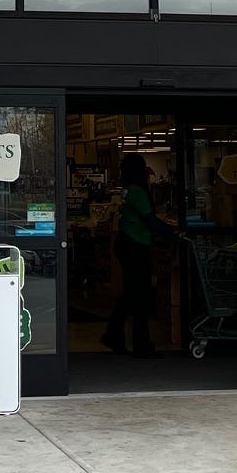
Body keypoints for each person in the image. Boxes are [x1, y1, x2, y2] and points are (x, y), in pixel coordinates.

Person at [101, 153, 166, 357]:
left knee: (131, 295)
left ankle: (114, 335)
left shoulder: (128, 190)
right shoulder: (138, 192)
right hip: (135, 245)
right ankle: (141, 344)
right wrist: (173, 233)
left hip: (127, 243)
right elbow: (149, 220)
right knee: (140, 296)